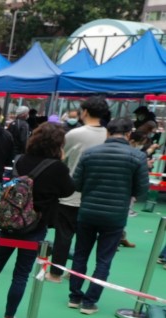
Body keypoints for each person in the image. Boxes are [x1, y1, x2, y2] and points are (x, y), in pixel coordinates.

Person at [0, 123, 74, 318]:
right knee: (21, 274)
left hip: (9, 221)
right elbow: (67, 191)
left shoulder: (21, 160)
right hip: (35, 225)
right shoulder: (58, 167)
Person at [67, 118, 149, 314]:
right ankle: (89, 302)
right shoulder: (137, 156)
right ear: (129, 133)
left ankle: (74, 296)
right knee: (104, 260)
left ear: (107, 132)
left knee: (80, 254)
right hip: (115, 215)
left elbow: (76, 184)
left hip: (87, 211)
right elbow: (142, 190)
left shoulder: (89, 154)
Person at [50, 96, 108, 283]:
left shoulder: (74, 134)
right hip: (96, 195)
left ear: (84, 112)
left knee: (64, 235)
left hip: (71, 193)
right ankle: (75, 273)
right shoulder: (109, 135)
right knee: (85, 239)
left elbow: (60, 158)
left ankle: (55, 273)